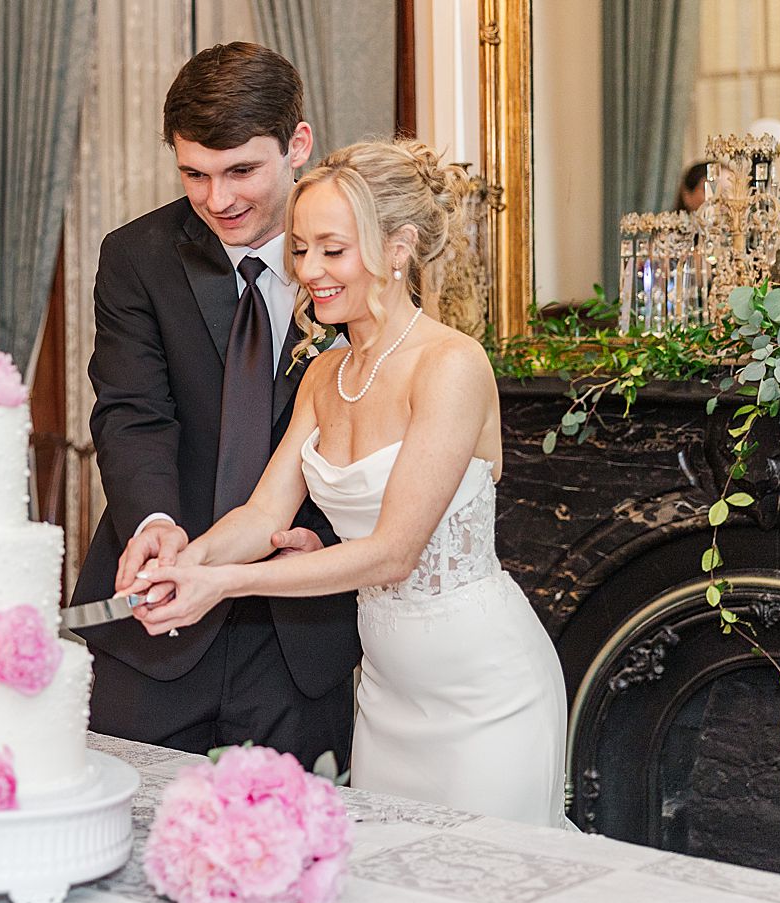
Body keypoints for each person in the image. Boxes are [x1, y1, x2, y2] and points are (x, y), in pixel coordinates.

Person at [126, 139, 571, 827]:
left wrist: (226, 584)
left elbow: (393, 551)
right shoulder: (323, 375)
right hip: (387, 693)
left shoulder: (450, 364)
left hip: (484, 692)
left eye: (332, 250)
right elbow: (261, 512)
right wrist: (188, 563)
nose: (308, 270)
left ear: (398, 249)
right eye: (301, 249)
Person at [71, 42, 360, 773]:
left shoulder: (361, 261)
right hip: (157, 619)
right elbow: (132, 411)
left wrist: (330, 538)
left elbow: (381, 417)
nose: (218, 199)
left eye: (240, 171)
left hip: (300, 630)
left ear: (298, 145)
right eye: (194, 174)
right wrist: (155, 521)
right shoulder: (136, 257)